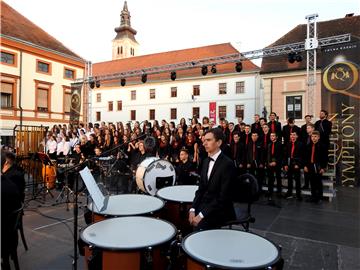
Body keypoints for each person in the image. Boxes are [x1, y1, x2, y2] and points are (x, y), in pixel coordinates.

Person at [189, 128, 236, 230]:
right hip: (207, 204)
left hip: (220, 209)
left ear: (219, 142)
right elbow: (201, 189)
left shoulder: (228, 164)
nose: (205, 143)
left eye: (209, 140)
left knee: (199, 228)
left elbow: (223, 197)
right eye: (204, 140)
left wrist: (201, 215)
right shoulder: (206, 161)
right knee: (187, 220)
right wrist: (192, 209)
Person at [304, 131, 328, 203]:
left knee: (318, 182)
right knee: (312, 182)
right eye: (312, 137)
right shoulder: (308, 146)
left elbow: (325, 158)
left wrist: (323, 168)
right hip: (310, 166)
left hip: (318, 166)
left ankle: (319, 197)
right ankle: (313, 196)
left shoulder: (322, 146)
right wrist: (305, 166)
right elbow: (306, 157)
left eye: (315, 136)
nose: (313, 138)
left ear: (318, 137)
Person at [283, 132, 303, 201]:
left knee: (297, 180)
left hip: (297, 164)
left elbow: (302, 156)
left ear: (297, 136)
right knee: (289, 180)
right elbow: (285, 155)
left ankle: (298, 194)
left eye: (294, 135)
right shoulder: (288, 144)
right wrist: (285, 164)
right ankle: (289, 193)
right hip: (289, 164)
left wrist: (298, 164)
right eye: (291, 135)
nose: (292, 136)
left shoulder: (300, 144)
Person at [267, 132, 283, 199]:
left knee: (278, 177)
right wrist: (269, 162)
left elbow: (281, 155)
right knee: (270, 178)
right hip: (270, 164)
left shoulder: (280, 144)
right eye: (271, 136)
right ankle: (270, 191)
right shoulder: (269, 144)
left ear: (276, 137)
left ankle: (279, 192)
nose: (272, 137)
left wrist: (276, 162)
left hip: (277, 164)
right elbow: (268, 154)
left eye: (273, 136)